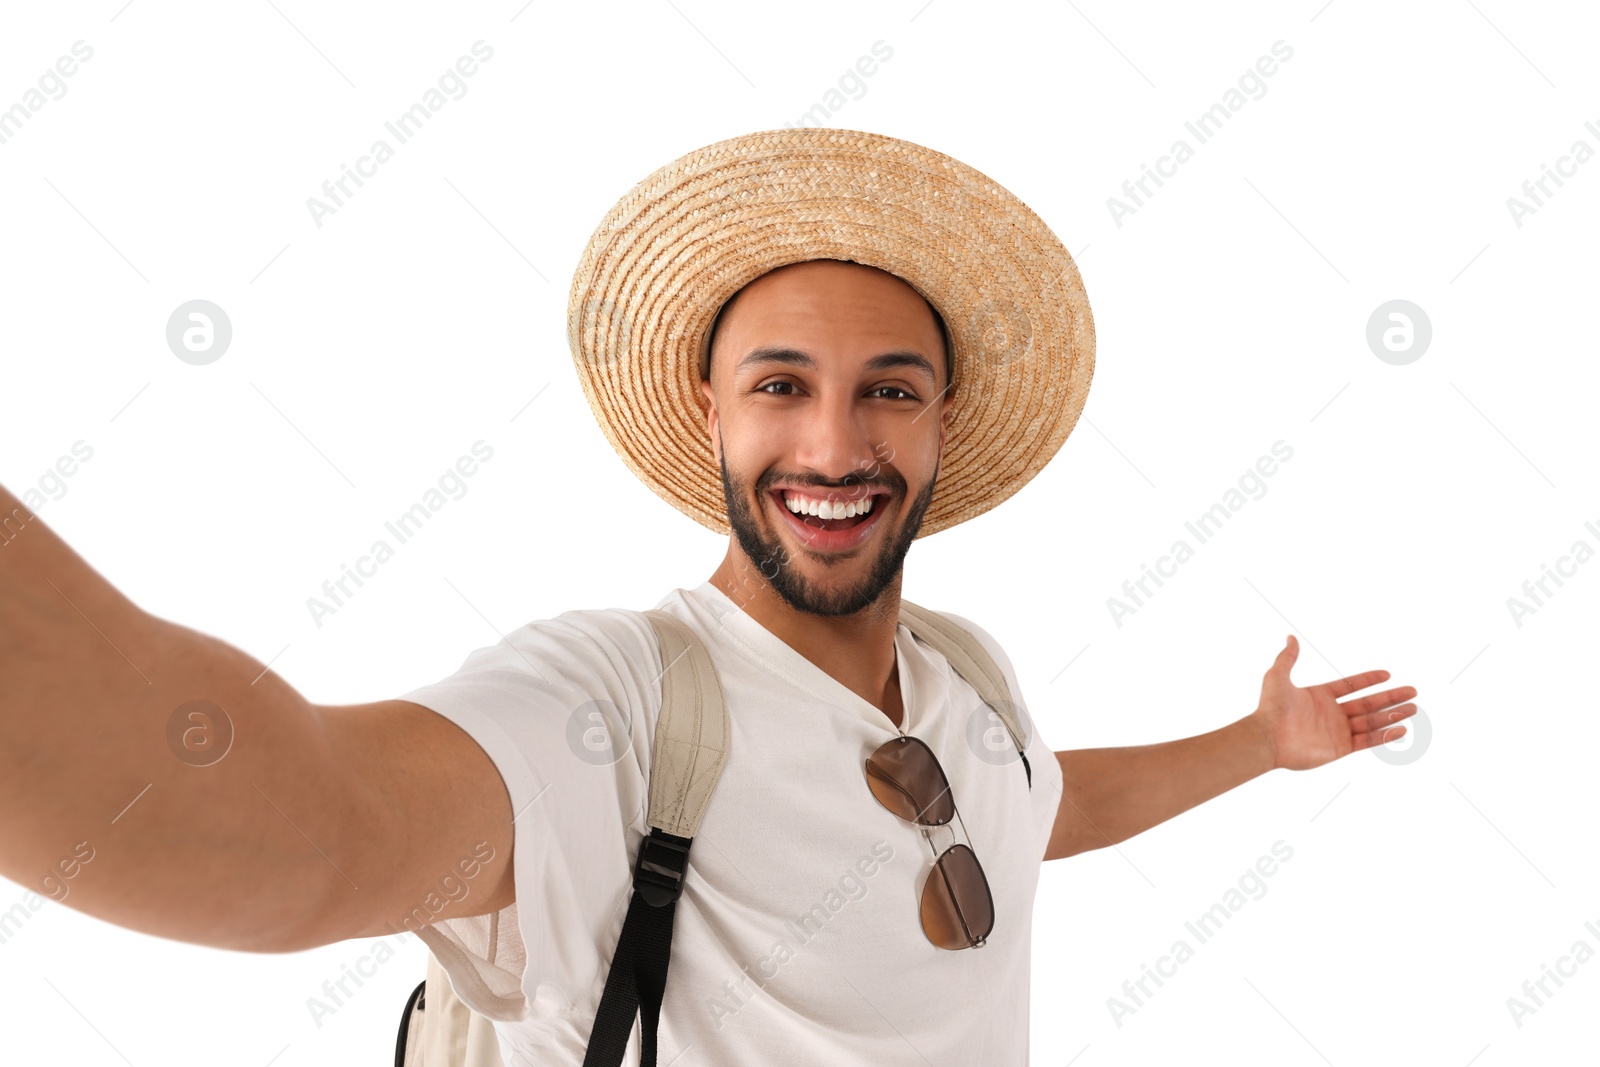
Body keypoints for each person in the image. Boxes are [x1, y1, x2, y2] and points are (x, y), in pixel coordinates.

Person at [0, 128, 1416, 1065]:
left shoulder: (966, 671)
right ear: (710, 410)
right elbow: (288, 835)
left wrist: (1261, 748)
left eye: (890, 393)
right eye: (781, 386)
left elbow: (1038, 802)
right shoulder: (616, 703)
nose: (835, 448)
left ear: (940, 424)